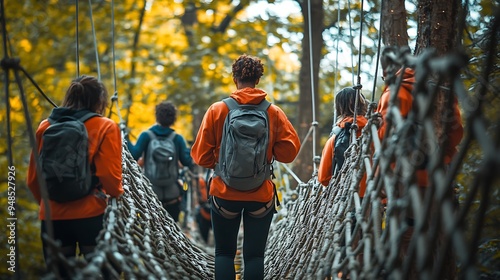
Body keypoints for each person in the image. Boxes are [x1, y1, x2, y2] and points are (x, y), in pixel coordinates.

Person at [191, 54, 301, 280]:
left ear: (234, 78)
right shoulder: (273, 113)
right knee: (254, 257)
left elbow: (200, 157)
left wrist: (222, 164)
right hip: (260, 195)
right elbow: (289, 153)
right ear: (258, 80)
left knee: (223, 254)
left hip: (224, 193)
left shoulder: (217, 110)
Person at [376, 46, 464, 277]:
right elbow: (457, 133)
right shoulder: (442, 92)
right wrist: (444, 155)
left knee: (407, 238)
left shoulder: (393, 95)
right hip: (439, 176)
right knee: (437, 236)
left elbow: (385, 139)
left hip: (406, 180)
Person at [27, 75, 124, 277]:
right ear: (100, 100)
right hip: (91, 216)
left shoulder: (45, 126)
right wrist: (116, 193)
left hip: (52, 218)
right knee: (105, 273)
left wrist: (50, 204)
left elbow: (33, 179)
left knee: (61, 274)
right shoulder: (106, 126)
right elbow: (109, 177)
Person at [126, 101, 193, 222]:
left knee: (152, 231)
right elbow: (187, 162)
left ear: (157, 116)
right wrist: (191, 150)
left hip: (151, 194)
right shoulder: (177, 139)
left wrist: (125, 137)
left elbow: (133, 155)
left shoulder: (146, 136)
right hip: (172, 195)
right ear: (173, 118)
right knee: (172, 233)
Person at [317, 87, 368, 196]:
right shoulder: (375, 131)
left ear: (338, 108)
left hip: (349, 197)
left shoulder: (336, 138)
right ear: (363, 104)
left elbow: (323, 178)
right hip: (375, 194)